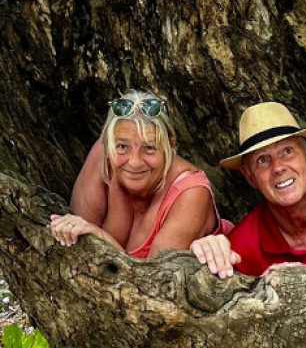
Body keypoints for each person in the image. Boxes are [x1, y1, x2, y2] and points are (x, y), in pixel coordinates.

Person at [50, 90, 222, 258]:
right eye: (123, 147)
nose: (134, 162)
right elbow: (76, 245)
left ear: (170, 145)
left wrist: (99, 237)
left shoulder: (191, 193)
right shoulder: (105, 155)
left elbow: (156, 282)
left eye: (149, 148)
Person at [191, 102, 306, 278]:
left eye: (287, 151)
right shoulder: (241, 250)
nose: (278, 168)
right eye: (263, 160)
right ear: (250, 176)